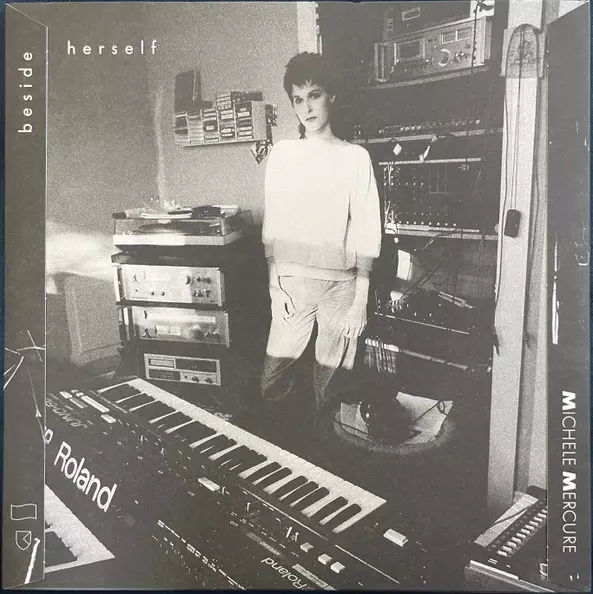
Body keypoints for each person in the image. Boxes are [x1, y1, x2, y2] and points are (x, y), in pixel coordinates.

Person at [260, 52, 382, 428]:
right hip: (293, 284)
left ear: (331, 96)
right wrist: (274, 287)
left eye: (314, 95)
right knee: (273, 379)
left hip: (341, 288)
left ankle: (324, 448)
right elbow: (272, 225)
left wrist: (359, 302)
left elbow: (367, 229)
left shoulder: (356, 157)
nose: (307, 107)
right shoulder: (283, 154)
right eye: (298, 99)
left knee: (331, 386)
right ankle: (278, 443)